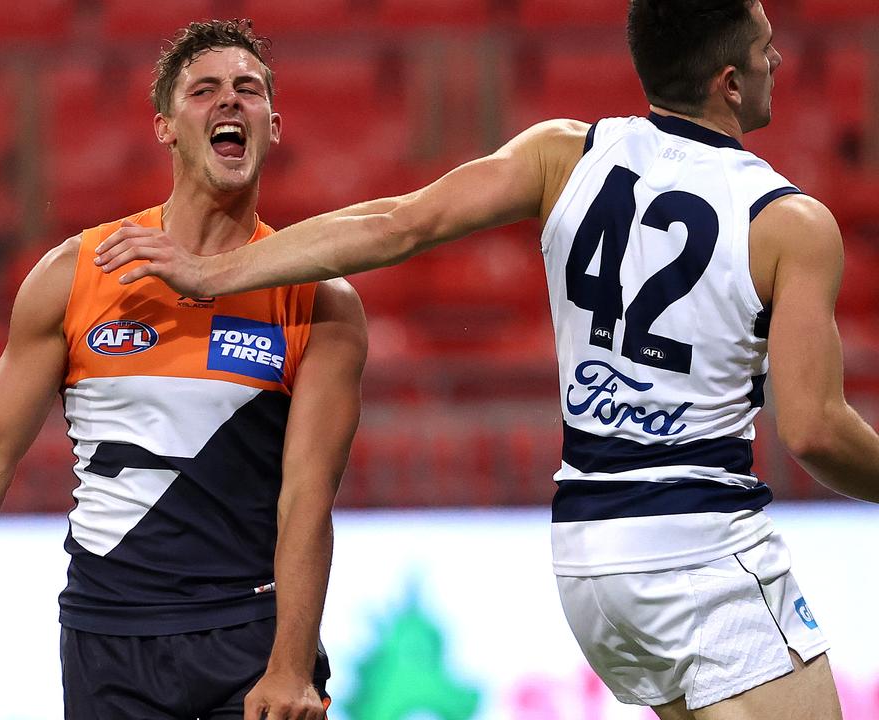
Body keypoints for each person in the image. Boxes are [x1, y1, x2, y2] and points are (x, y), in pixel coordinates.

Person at [94, 2, 879, 718]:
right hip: (701, 547)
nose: (779, 61)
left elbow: (398, 225)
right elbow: (812, 429)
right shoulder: (789, 222)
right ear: (731, 82)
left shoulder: (565, 153)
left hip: (588, 565)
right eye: (768, 49)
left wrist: (214, 271)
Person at [0, 19, 367, 720]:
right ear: (165, 127)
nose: (230, 102)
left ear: (274, 125)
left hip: (248, 638)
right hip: (106, 638)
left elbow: (308, 497)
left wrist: (292, 665)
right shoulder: (74, 274)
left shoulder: (320, 299)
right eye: (204, 91)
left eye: (249, 89)